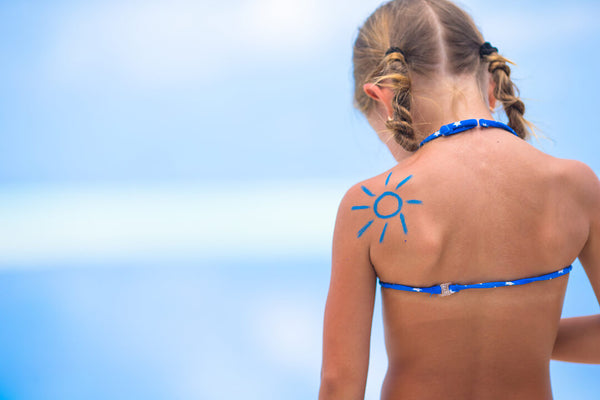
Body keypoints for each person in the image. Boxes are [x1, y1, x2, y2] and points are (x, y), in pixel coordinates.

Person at [318, 0, 600, 399]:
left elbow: (339, 383)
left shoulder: (369, 205)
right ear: (491, 82)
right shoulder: (575, 184)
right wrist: (525, 335)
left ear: (381, 99)